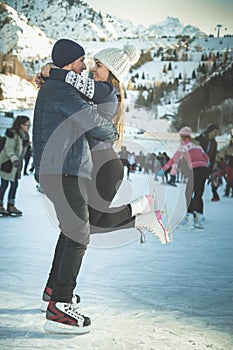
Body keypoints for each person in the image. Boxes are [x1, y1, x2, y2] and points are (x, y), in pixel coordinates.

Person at [33, 39, 169, 335]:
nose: (87, 68)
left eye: (95, 65)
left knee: (80, 230)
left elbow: (95, 118)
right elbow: (93, 119)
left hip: (88, 167)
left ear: (111, 71)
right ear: (71, 62)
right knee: (81, 232)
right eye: (85, 61)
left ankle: (56, 292)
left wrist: (52, 72)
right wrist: (51, 72)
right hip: (67, 169)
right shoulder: (65, 89)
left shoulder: (100, 90)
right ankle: (59, 303)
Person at [158, 127, 209, 229]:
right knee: (198, 194)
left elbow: (174, 159)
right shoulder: (197, 144)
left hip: (195, 169)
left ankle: (189, 216)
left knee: (188, 193)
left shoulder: (184, 145)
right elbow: (207, 158)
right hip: (204, 169)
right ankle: (199, 217)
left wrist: (163, 169)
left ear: (181, 136)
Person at [0, 115, 30, 216]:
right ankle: (0, 205)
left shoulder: (25, 136)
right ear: (20, 125)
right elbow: (9, 149)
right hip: (7, 163)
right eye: (27, 125)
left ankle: (11, 205)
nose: (28, 127)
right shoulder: (12, 134)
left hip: (16, 166)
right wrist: (14, 160)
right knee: (4, 184)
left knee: (14, 185)